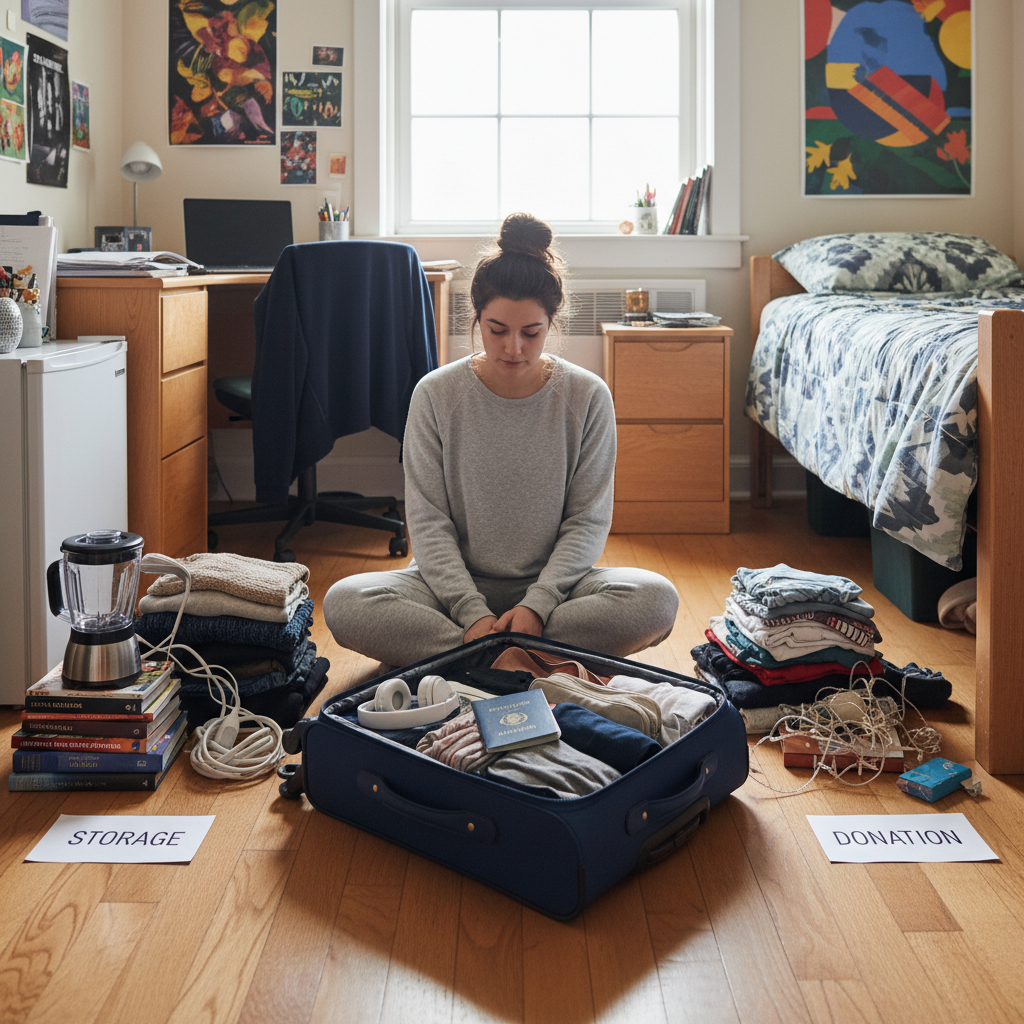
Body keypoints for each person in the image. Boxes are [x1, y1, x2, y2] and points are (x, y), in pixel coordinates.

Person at [323, 213, 679, 667]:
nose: (513, 348)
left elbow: (587, 521)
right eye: (497, 330)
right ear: (476, 317)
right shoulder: (435, 394)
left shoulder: (588, 396)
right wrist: (470, 613)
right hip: (447, 589)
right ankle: (521, 658)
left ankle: (475, 658)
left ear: (552, 322)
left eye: (531, 333)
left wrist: (537, 604)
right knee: (344, 601)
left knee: (655, 599)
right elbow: (429, 523)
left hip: (557, 591)